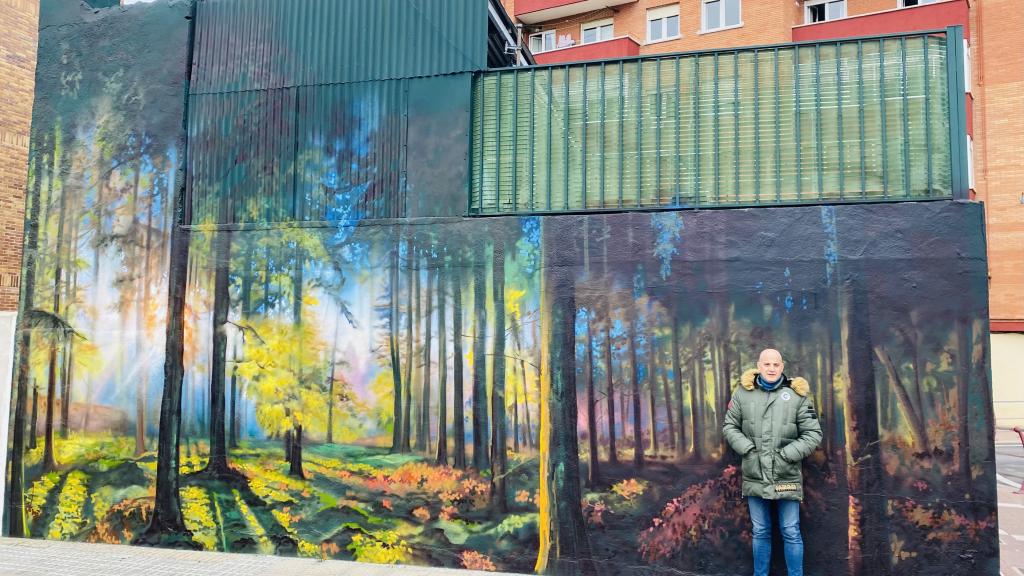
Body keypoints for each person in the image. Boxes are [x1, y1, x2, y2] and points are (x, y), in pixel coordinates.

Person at [722, 348, 822, 576]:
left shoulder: (797, 396)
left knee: (791, 531)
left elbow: (813, 433)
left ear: (782, 367)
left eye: (776, 365)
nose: (771, 369)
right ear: (759, 366)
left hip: (787, 474)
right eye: (766, 364)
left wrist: (787, 455)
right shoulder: (743, 394)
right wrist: (747, 449)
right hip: (755, 473)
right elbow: (729, 427)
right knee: (760, 531)